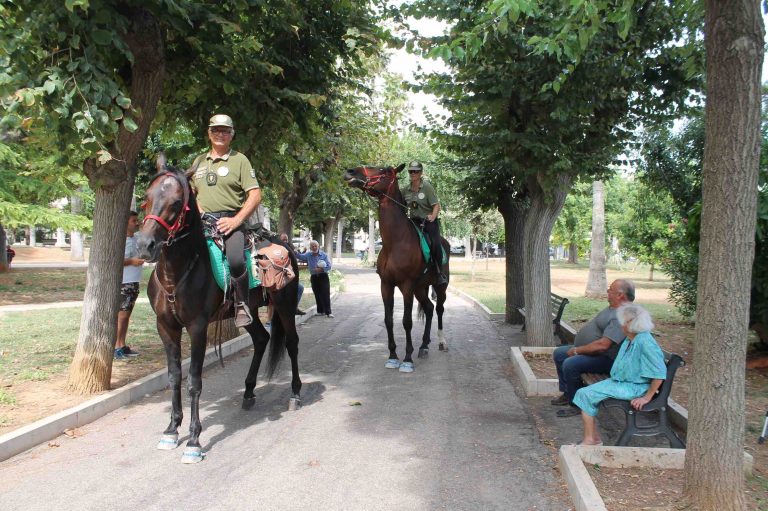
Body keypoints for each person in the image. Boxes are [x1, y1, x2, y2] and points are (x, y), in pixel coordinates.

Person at [191, 114, 261, 327]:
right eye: (215, 130)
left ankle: (241, 305)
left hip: (231, 221)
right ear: (209, 133)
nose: (220, 134)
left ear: (232, 135)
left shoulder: (240, 160)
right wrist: (200, 211)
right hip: (203, 221)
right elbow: (192, 193)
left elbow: (256, 194)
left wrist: (236, 221)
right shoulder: (199, 161)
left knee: (236, 260)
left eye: (225, 131)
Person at [572, 304, 667, 445]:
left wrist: (646, 398)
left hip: (636, 387)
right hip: (623, 382)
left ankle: (590, 440)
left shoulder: (645, 341)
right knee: (584, 393)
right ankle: (592, 438)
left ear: (632, 323)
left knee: (585, 394)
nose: (621, 324)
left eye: (623, 321)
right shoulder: (631, 338)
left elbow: (659, 373)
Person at [551, 279, 635, 417]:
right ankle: (568, 393)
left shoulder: (623, 315)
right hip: (597, 354)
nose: (608, 291)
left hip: (608, 359)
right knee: (560, 353)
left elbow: (603, 345)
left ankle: (577, 404)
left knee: (570, 364)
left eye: (611, 290)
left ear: (620, 295)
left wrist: (578, 350)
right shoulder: (613, 308)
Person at [400, 161, 447, 285]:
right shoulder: (405, 190)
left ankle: (439, 273)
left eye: (416, 171)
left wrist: (433, 215)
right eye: (411, 171)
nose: (413, 173)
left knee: (435, 243)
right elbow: (398, 203)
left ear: (421, 173)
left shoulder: (427, 187)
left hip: (428, 221)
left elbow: (436, 205)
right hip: (414, 221)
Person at [116, 211, 144, 359]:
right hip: (124, 283)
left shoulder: (137, 238)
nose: (137, 223)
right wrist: (132, 261)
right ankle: (117, 347)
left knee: (127, 316)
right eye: (134, 221)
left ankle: (123, 344)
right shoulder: (119, 240)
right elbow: (114, 261)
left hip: (134, 282)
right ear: (125, 223)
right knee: (121, 315)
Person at [296, 240, 333, 317]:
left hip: (323, 276)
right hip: (314, 277)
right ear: (310, 247)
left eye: (315, 246)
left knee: (325, 294)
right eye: (312, 246)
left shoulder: (324, 255)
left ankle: (328, 312)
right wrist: (294, 252)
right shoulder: (308, 255)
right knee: (317, 294)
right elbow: (300, 256)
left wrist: (321, 269)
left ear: (318, 246)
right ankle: (320, 311)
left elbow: (329, 266)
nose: (314, 247)